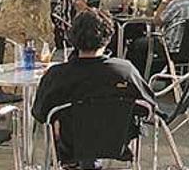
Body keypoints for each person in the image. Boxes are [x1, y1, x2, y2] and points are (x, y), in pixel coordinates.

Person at [32, 10, 158, 170]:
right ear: (108, 37)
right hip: (117, 141)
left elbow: (40, 113)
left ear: (73, 38)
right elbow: (148, 106)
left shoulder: (57, 75)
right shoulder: (125, 71)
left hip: (71, 145)